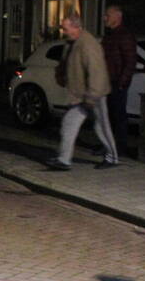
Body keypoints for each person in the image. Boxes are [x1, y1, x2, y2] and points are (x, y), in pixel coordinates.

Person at [46, 13, 120, 171]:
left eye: (66, 28)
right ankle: (64, 160)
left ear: (76, 27)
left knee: (101, 126)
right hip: (81, 94)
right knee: (69, 123)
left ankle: (112, 157)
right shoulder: (72, 42)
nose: (64, 31)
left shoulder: (88, 44)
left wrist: (93, 95)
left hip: (94, 94)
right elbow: (66, 63)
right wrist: (61, 75)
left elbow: (97, 72)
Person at [101, 4, 137, 158]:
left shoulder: (124, 35)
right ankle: (108, 145)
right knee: (107, 115)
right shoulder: (109, 36)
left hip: (117, 82)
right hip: (107, 81)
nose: (105, 18)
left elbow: (130, 61)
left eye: (108, 15)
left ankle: (120, 147)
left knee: (118, 116)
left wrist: (122, 82)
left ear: (117, 17)